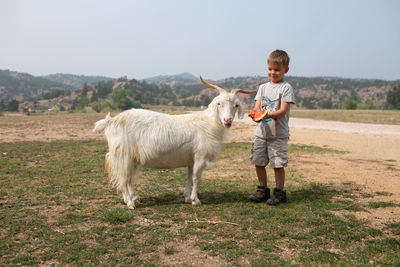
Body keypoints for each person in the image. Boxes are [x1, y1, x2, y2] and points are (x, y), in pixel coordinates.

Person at [249, 49, 295, 205]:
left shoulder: (286, 88)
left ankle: (279, 193)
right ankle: (262, 190)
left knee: (277, 164)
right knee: (259, 161)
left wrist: (267, 115)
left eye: (277, 70)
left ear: (285, 70)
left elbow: (282, 111)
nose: (273, 73)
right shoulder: (262, 88)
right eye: (270, 69)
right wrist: (255, 114)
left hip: (278, 135)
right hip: (261, 134)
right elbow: (257, 107)